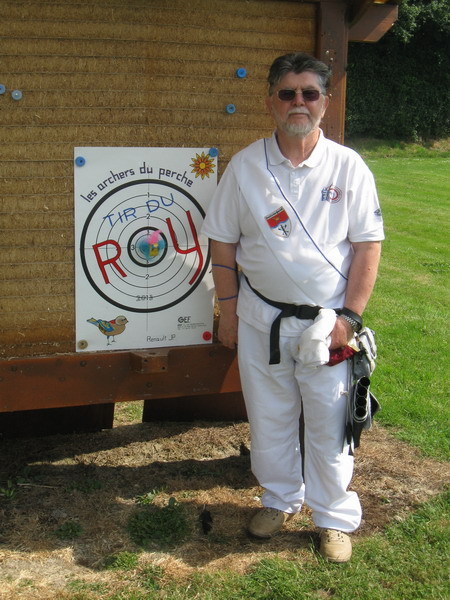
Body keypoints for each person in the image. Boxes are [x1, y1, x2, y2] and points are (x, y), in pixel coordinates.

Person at [201, 52, 384, 563]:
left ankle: (333, 517)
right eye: (287, 93)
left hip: (329, 324)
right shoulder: (245, 167)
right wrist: (230, 311)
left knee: (330, 423)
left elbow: (368, 246)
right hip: (261, 318)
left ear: (325, 102)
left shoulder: (348, 166)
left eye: (309, 93)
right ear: (270, 103)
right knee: (269, 417)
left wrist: (350, 318)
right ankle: (279, 499)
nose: (298, 102)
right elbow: (222, 244)